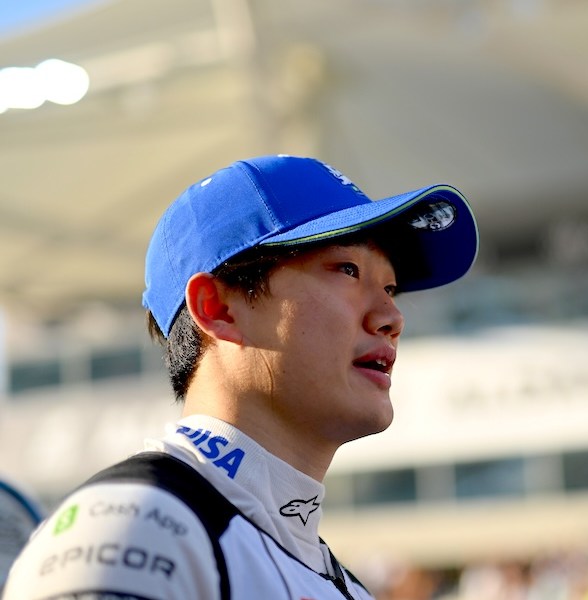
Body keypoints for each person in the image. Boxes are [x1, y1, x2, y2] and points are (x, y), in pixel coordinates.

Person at [3, 154, 479, 599]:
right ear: (217, 308)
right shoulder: (131, 527)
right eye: (347, 269)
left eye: (391, 287)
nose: (391, 316)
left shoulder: (336, 579)